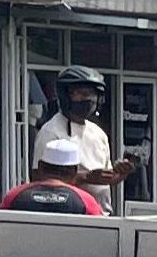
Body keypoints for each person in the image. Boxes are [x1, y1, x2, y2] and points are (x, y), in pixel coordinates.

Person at [29, 66, 136, 200]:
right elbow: (39, 180)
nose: (89, 99)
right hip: (71, 214)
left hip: (100, 214)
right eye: (82, 94)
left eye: (93, 94)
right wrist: (86, 177)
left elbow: (105, 181)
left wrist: (119, 173)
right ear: (66, 96)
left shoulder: (98, 133)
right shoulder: (51, 132)